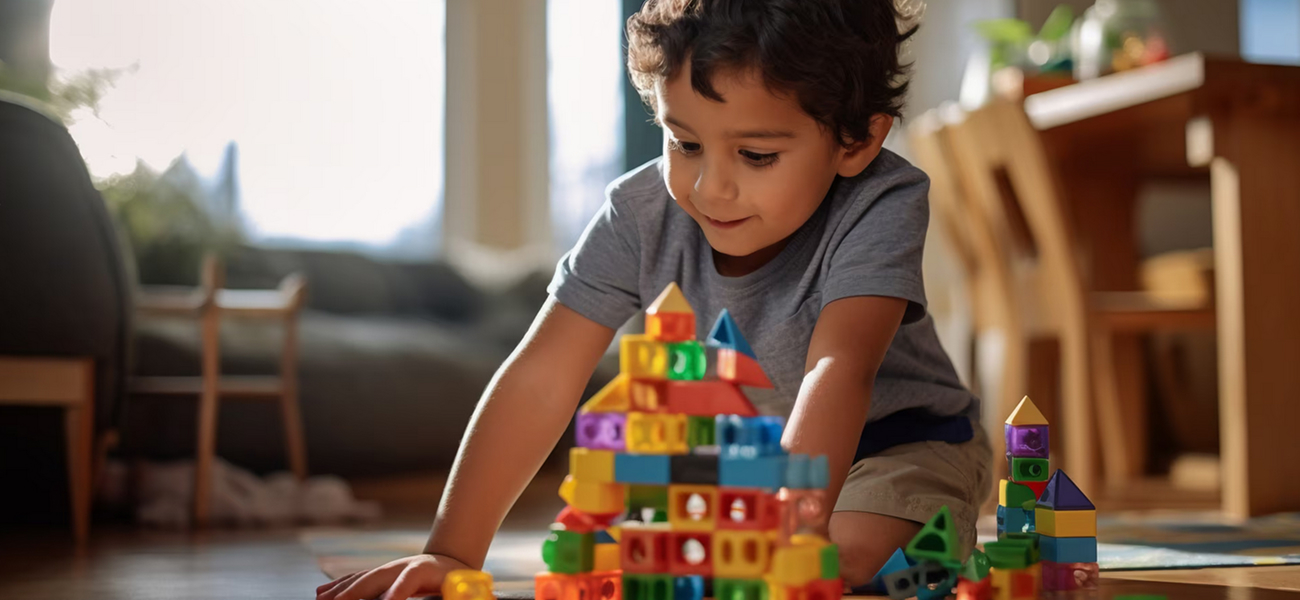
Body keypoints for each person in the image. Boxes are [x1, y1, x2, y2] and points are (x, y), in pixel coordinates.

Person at [317, 1, 989, 598]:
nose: (709, 187)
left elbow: (838, 367)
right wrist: (451, 549)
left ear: (858, 140)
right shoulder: (637, 214)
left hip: (901, 445)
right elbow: (541, 376)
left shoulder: (882, 200)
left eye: (756, 156)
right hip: (740, 458)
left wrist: (790, 534)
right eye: (684, 142)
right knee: (646, 557)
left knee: (847, 557)